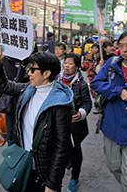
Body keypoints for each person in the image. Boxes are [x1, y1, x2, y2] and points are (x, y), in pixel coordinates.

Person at [0, 49, 74, 192]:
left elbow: (62, 147)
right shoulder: (28, 90)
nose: (28, 73)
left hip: (43, 173)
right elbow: (5, 86)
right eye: (28, 69)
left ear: (47, 73)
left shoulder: (59, 103)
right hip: (23, 164)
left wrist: (52, 185)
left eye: (33, 70)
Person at [91, 31, 127, 192]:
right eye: (121, 46)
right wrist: (118, 91)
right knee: (113, 165)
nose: (125, 50)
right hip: (112, 127)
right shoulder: (112, 64)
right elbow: (96, 83)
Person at [56, 53, 92, 192]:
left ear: (77, 67)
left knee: (75, 150)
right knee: (61, 147)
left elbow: (88, 103)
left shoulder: (81, 84)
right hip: (59, 124)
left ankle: (74, 178)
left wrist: (81, 113)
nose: (67, 66)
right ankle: (68, 159)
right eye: (65, 63)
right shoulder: (56, 79)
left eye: (70, 63)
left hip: (75, 126)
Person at [0, 56, 29, 146]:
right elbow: (1, 82)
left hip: (25, 100)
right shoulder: (5, 60)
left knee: (24, 131)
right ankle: (11, 156)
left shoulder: (30, 61)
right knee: (10, 131)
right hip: (10, 102)